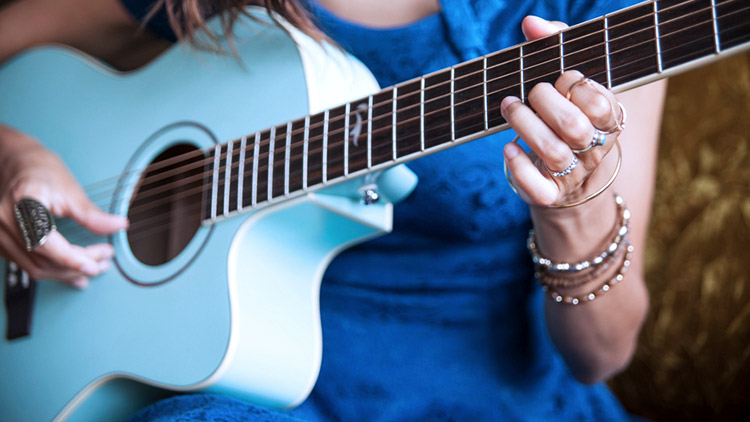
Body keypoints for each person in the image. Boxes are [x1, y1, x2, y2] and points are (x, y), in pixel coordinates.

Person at [0, 0, 666, 420]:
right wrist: (11, 158)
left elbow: (602, 354)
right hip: (239, 390)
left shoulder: (597, 17)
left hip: (486, 393)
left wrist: (575, 209)